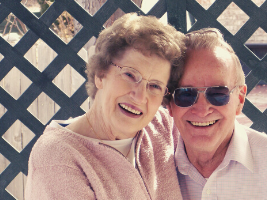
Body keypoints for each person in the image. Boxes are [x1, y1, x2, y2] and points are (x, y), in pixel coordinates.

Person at [25, 13, 185, 199]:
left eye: (155, 86)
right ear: (100, 75)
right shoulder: (57, 157)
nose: (140, 96)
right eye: (130, 75)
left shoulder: (162, 127)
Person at [165, 28, 267, 199]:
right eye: (186, 94)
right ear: (170, 104)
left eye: (218, 94)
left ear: (240, 100)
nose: (203, 109)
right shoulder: (152, 169)